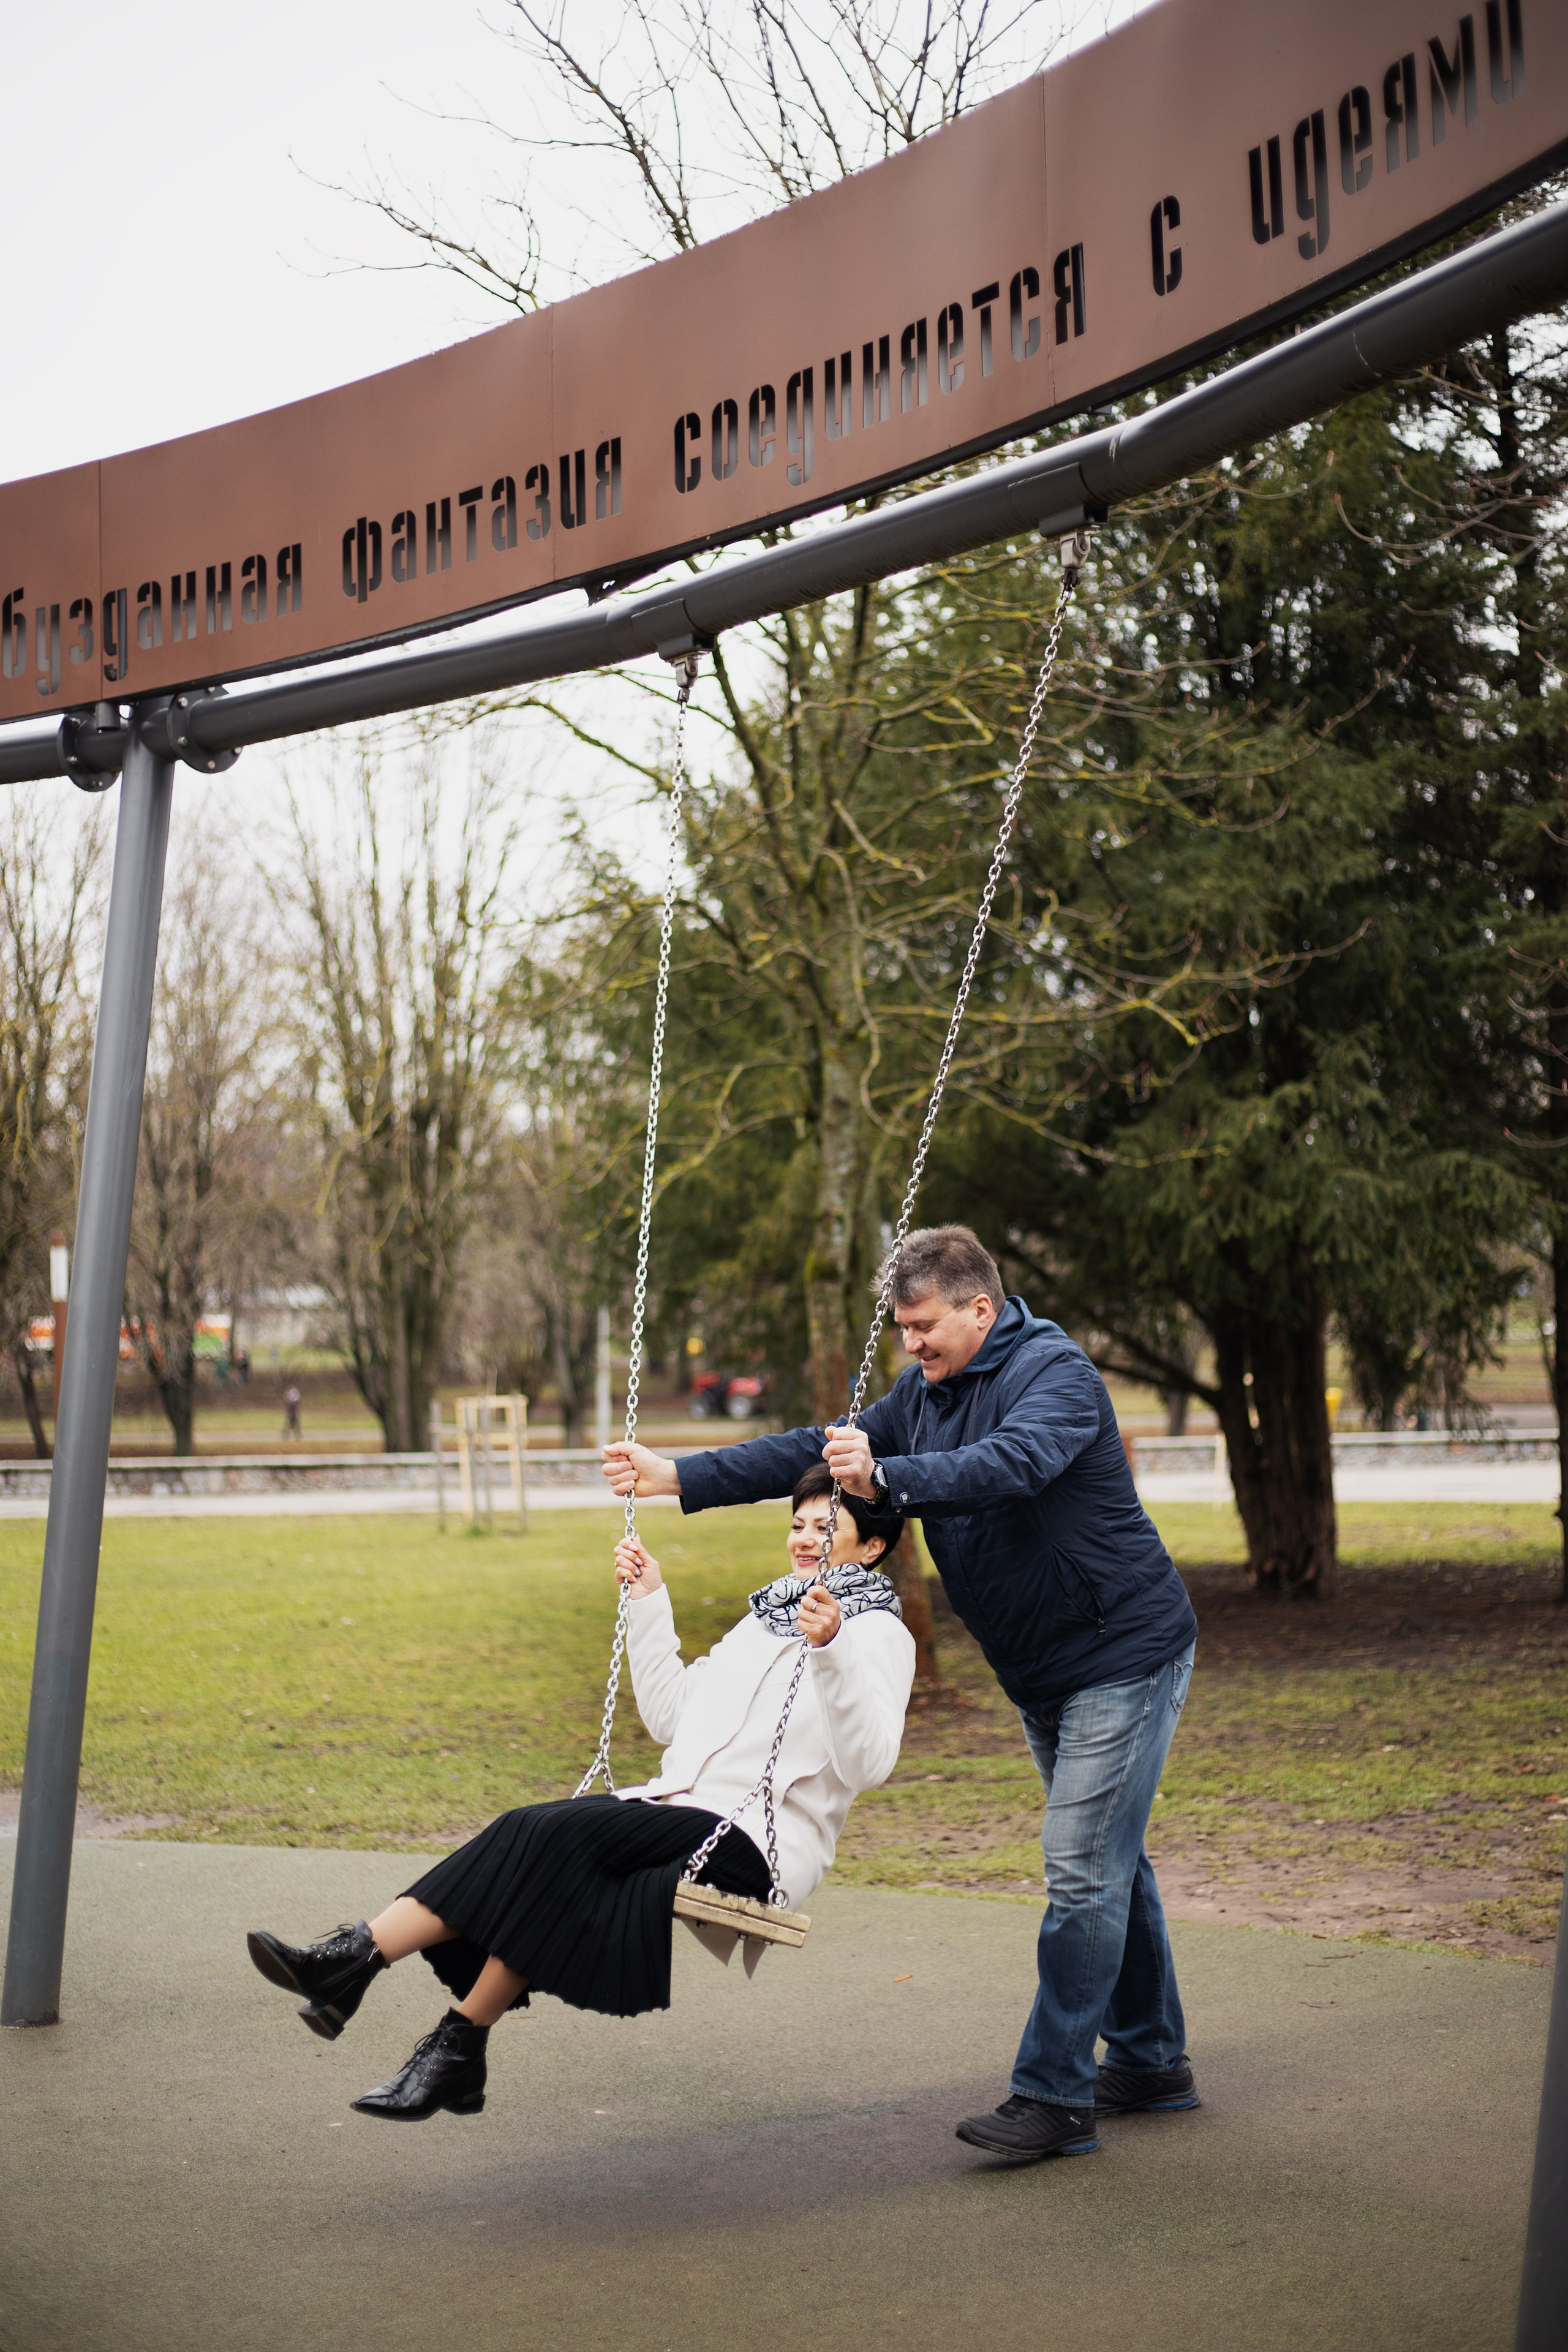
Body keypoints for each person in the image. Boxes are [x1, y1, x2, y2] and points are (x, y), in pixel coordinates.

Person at [604, 1224, 1199, 2167]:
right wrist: (681, 1476)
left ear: (980, 1308)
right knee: (1109, 1857)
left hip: (1120, 1652)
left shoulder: (1057, 1377)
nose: (912, 1346)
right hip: (1042, 1666)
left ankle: (1055, 2096)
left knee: (1082, 1867)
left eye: (925, 1327)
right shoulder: (923, 1396)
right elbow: (816, 1450)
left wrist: (887, 1477)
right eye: (903, 1331)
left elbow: (1011, 1466)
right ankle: (1152, 2059)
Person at [246, 1464, 915, 2121]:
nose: (802, 1537)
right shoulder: (765, 1617)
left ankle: (352, 1964)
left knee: (551, 1835)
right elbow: (671, 1719)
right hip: (680, 1807)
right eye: (796, 1523)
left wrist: (831, 1651)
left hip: (757, 1842)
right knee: (531, 1832)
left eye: (824, 1527)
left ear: (873, 1545)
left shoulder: (878, 1635)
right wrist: (651, 1600)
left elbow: (869, 1764)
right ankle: (453, 2042)